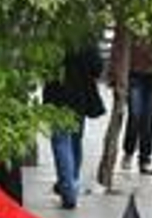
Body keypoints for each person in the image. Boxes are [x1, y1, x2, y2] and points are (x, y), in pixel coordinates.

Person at [43, 43, 106, 209]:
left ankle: (68, 189)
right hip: (79, 97)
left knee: (61, 141)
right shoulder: (85, 36)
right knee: (74, 142)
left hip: (56, 95)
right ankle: (71, 184)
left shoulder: (52, 34)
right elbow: (97, 67)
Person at [120, 38, 152, 175]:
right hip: (134, 74)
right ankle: (128, 152)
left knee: (148, 119)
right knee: (135, 114)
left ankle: (145, 159)